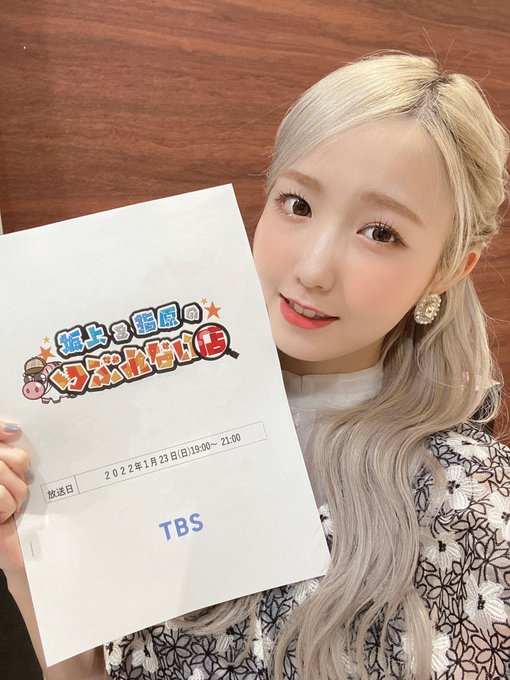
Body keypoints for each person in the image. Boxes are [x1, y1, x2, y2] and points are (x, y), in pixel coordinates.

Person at [1, 52, 509, 680]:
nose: (313, 269)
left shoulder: (469, 501)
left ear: (448, 269)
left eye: (380, 233)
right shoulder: (142, 429)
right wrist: (29, 568)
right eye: (298, 204)